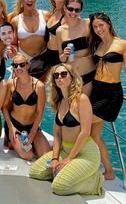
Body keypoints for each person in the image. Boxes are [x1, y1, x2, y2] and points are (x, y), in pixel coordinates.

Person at [29, 63, 103, 196]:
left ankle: (95, 181)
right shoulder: (60, 101)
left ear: (72, 77)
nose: (59, 77)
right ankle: (66, 172)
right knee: (34, 172)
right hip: (65, 150)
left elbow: (85, 132)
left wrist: (68, 159)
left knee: (59, 187)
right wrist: (55, 158)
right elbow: (57, 134)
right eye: (56, 75)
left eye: (63, 74)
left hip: (85, 154)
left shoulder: (81, 99)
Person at [89, 12, 126, 180]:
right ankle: (108, 172)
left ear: (108, 24)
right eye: (95, 27)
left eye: (101, 25)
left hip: (111, 93)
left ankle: (82, 165)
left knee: (83, 124)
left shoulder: (122, 44)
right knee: (94, 136)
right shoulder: (98, 44)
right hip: (96, 90)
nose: (98, 29)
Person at [2, 53, 51, 160]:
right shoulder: (10, 84)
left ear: (28, 65)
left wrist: (33, 133)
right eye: (15, 65)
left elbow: (39, 112)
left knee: (46, 157)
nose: (18, 68)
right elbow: (4, 107)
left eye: (21, 65)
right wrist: (11, 128)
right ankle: (13, 140)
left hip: (32, 126)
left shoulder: (39, 86)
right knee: (28, 155)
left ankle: (29, 143)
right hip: (15, 125)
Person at [56, 0, 95, 96]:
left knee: (84, 108)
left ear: (81, 11)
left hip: (88, 74)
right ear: (65, 8)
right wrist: (64, 55)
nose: (73, 13)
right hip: (70, 77)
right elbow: (61, 59)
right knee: (71, 109)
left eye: (77, 10)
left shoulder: (88, 24)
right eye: (70, 9)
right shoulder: (60, 31)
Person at [11, 0, 51, 80]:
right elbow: (14, 44)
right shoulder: (15, 20)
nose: (30, 0)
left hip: (43, 60)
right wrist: (17, 62)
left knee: (40, 90)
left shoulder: (46, 15)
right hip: (23, 61)